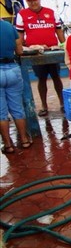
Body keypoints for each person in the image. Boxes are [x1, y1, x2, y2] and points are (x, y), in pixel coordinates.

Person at [15, 0, 65, 116]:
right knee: (41, 79)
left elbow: (59, 31)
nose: (32, 3)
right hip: (36, 53)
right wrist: (20, 49)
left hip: (52, 52)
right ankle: (44, 106)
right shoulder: (22, 15)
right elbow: (20, 36)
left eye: (34, 0)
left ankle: (63, 103)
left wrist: (64, 46)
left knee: (56, 77)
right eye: (29, 1)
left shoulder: (51, 12)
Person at [1, 19, 32, 154]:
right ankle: (24, 140)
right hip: (12, 69)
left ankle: (8, 145)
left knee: (1, 113)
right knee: (17, 108)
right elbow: (19, 50)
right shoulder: (8, 26)